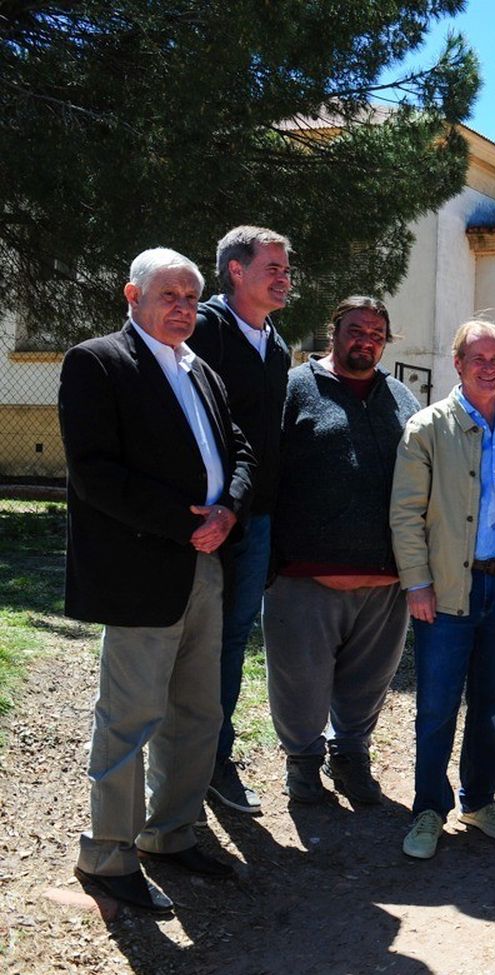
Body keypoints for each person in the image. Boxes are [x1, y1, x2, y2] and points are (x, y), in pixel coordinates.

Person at [60, 248, 255, 912]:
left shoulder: (201, 370)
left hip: (205, 563)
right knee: (130, 718)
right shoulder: (98, 362)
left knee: (198, 712)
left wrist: (229, 507)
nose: (180, 307)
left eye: (189, 298)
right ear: (130, 294)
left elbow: (241, 449)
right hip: (143, 567)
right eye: (167, 294)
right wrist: (183, 523)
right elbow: (94, 472)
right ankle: (108, 856)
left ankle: (169, 835)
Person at [390, 319, 495, 859]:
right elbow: (406, 514)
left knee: (489, 704)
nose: (488, 367)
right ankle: (428, 810)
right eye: (477, 358)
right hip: (447, 589)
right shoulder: (427, 427)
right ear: (456, 364)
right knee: (436, 705)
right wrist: (417, 583)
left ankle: (479, 802)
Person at [263, 297, 420, 805]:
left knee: (368, 683)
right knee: (299, 683)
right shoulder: (293, 389)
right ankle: (303, 763)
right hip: (307, 576)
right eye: (356, 329)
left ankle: (351, 756)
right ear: (334, 331)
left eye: (377, 332)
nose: (366, 340)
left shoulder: (402, 398)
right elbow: (266, 469)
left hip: (385, 579)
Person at [193, 224, 294, 817]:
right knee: (190, 643)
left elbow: (269, 441)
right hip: (203, 518)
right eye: (273, 268)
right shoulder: (202, 329)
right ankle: (183, 762)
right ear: (236, 270)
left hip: (254, 520)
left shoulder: (277, 345)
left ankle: (214, 761)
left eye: (286, 270)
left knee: (231, 641)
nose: (284, 279)